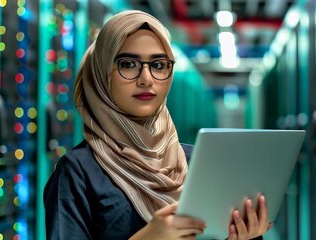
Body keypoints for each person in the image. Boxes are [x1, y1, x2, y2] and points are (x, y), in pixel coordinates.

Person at [43, 10, 271, 240]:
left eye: (159, 65)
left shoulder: (196, 162)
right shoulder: (78, 172)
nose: (146, 79)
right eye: (129, 64)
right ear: (102, 74)